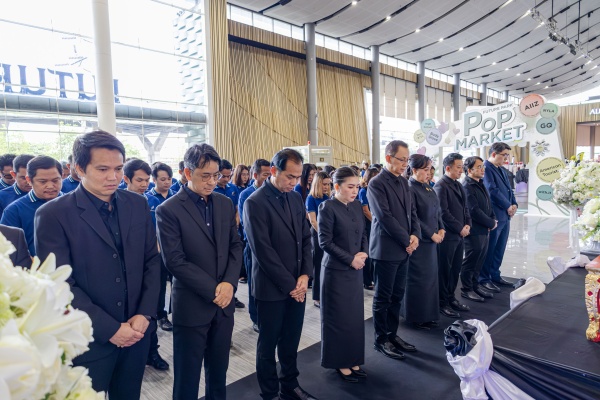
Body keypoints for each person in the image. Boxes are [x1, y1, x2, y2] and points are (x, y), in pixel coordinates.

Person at [34, 130, 161, 399]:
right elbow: (59, 284)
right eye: (103, 169)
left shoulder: (137, 204)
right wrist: (110, 329)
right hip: (89, 338)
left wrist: (145, 313)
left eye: (118, 169)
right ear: (79, 169)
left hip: (137, 330)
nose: (113, 177)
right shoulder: (53, 214)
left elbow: (151, 260)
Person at [156, 143, 243, 400]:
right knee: (187, 376)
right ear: (187, 172)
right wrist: (215, 290)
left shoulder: (224, 203)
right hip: (192, 305)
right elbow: (175, 261)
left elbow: (235, 245)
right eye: (205, 176)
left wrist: (229, 283)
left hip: (224, 304)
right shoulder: (168, 209)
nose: (212, 182)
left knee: (218, 372)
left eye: (216, 175)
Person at [244, 148, 318, 400]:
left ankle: (290, 385)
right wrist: (291, 285)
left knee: (290, 341)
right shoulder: (255, 202)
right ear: (274, 171)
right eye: (289, 177)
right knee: (268, 345)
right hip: (271, 287)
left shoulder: (295, 198)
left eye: (298, 177)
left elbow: (306, 238)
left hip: (297, 284)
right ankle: (269, 393)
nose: (294, 182)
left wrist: (305, 275)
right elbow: (263, 251)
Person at [367, 140, 420, 361]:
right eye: (402, 159)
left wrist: (415, 235)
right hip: (386, 249)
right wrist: (407, 239)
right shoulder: (376, 183)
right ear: (388, 158)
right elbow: (384, 217)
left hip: (404, 248)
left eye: (407, 160)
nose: (405, 164)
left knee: (397, 295)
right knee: (383, 297)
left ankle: (392, 334)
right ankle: (381, 339)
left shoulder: (404, 182)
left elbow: (412, 213)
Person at [318, 167, 368, 383]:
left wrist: (364, 253)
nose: (355, 191)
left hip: (356, 269)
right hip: (337, 272)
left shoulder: (356, 205)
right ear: (337, 186)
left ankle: (353, 358)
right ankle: (340, 361)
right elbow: (325, 242)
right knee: (339, 319)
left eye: (357, 186)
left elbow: (364, 232)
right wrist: (350, 259)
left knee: (354, 319)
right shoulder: (327, 207)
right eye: (350, 187)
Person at [122, 158, 169, 371]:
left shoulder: (147, 201)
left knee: (151, 308)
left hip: (151, 261)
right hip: (128, 267)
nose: (144, 184)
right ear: (127, 179)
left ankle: (152, 352)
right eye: (139, 180)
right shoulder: (118, 203)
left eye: (146, 180)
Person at [402, 154, 444, 330]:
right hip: (420, 240)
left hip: (432, 240)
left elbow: (437, 210)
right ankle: (416, 316)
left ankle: (428, 314)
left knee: (430, 279)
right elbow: (415, 218)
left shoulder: (428, 187)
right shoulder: (410, 188)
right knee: (418, 279)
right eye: (425, 170)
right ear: (414, 170)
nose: (429, 173)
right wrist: (431, 234)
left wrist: (441, 228)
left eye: (430, 169)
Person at [1, 156, 63, 256]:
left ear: (62, 177)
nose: (50, 186)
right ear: (29, 180)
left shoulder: (73, 204)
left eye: (55, 180)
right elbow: (7, 250)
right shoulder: (14, 211)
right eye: (43, 182)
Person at [434, 153, 471, 319]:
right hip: (448, 236)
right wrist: (459, 228)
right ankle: (442, 302)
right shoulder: (441, 186)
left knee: (455, 269)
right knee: (445, 271)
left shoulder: (458, 184)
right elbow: (443, 213)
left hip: (459, 235)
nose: (461, 170)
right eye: (458, 167)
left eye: (462, 167)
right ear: (448, 168)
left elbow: (465, 208)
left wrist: (468, 224)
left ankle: (451, 298)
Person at [479, 142, 518, 291]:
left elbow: (509, 189)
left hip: (505, 215)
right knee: (491, 248)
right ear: (494, 154)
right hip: (495, 214)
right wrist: (508, 205)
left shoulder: (500, 169)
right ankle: (484, 278)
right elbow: (492, 190)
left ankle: (495, 274)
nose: (506, 158)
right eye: (504, 155)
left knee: (500, 248)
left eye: (507, 155)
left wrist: (514, 204)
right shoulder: (486, 168)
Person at [239, 158, 271, 333]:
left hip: (271, 246)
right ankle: (256, 318)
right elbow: (247, 225)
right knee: (254, 283)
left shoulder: (271, 192)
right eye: (265, 174)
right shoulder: (247, 195)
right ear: (255, 175)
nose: (268, 177)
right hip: (252, 245)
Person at [461, 156, 497, 303]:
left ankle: (475, 285)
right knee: (471, 260)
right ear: (470, 170)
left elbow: (488, 205)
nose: (483, 170)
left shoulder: (480, 183)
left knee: (480, 260)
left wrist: (492, 219)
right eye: (479, 167)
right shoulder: (467, 186)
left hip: (484, 229)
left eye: (483, 166)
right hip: (474, 230)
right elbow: (473, 210)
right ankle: (466, 289)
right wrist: (490, 222)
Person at [214, 159, 244, 309]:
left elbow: (237, 208)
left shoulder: (232, 188)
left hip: (231, 229)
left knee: (232, 263)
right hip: (217, 232)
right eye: (222, 176)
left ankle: (232, 293)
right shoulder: (212, 190)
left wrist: (236, 221)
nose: (225, 179)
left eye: (228, 176)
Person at [305, 171, 331, 308]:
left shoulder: (328, 198)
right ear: (317, 184)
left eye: (328, 184)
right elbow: (313, 221)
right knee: (319, 266)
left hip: (329, 235)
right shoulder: (311, 198)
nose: (326, 187)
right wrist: (324, 235)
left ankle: (327, 294)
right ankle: (317, 297)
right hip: (318, 235)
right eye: (323, 184)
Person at [358, 167, 379, 290]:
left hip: (375, 222)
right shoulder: (363, 191)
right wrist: (377, 221)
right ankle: (367, 281)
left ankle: (372, 278)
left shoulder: (376, 190)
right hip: (368, 223)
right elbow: (365, 210)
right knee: (368, 253)